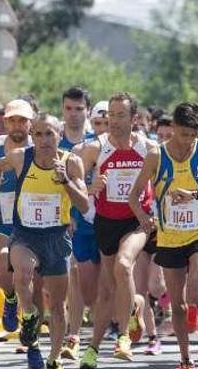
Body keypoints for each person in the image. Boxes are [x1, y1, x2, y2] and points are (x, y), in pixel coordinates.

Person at [126, 103, 198, 369]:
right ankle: (185, 359)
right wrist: (143, 217)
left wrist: (197, 195)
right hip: (170, 236)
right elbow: (133, 196)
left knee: (197, 286)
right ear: (173, 128)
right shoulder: (156, 156)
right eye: (184, 134)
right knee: (178, 304)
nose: (188, 141)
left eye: (193, 135)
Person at [0, 114, 89, 369]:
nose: (44, 140)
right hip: (25, 235)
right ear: (32, 136)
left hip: (56, 237)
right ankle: (30, 320)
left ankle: (53, 358)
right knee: (23, 274)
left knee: (56, 306)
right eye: (39, 134)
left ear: (60, 134)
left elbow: (85, 205)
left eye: (50, 134)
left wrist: (65, 180)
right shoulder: (21, 157)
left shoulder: (71, 161)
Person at [77, 93, 158, 368]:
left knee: (124, 265)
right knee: (107, 292)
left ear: (134, 118)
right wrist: (89, 188)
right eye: (110, 114)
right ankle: (93, 349)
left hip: (137, 221)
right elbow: (73, 184)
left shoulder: (149, 148)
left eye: (121, 114)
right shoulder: (94, 148)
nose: (113, 120)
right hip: (106, 221)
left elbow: (163, 185)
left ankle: (124, 336)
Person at [62, 101, 108, 361]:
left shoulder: (117, 147)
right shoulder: (81, 149)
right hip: (82, 222)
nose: (102, 129)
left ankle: (108, 331)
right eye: (98, 124)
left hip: (110, 223)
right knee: (77, 277)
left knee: (106, 281)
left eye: (107, 124)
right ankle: (74, 334)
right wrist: (69, 214)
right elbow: (67, 187)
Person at [0, 99, 35, 334]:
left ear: (30, 123)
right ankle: (9, 297)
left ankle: (29, 319)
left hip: (32, 221)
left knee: (25, 273)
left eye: (22, 120)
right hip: (2, 219)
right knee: (1, 256)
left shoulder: (40, 147)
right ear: (5, 122)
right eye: (12, 120)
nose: (17, 125)